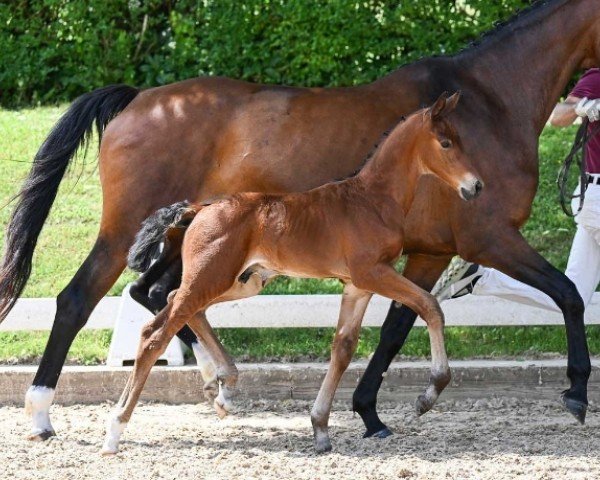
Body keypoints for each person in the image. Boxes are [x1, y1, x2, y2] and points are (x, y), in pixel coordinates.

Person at [433, 69, 600, 310]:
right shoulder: (596, 78)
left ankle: (480, 279)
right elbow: (557, 116)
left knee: (575, 296)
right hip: (596, 197)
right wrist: (582, 107)